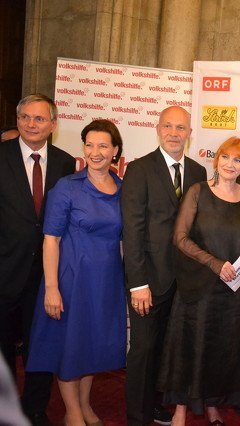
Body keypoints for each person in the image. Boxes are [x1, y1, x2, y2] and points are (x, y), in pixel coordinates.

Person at [26, 119, 126, 426]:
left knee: (90, 345)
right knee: (69, 346)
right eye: (89, 145)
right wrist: (52, 287)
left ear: (115, 151)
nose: (95, 152)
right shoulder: (67, 187)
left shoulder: (123, 189)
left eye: (103, 146)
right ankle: (72, 412)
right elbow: (51, 240)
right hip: (71, 281)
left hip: (105, 282)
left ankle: (84, 405)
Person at [157, 136, 240, 425]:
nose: (230, 164)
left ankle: (214, 406)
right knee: (190, 348)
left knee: (222, 352)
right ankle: (180, 410)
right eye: (225, 157)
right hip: (199, 287)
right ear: (217, 161)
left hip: (234, 292)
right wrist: (215, 264)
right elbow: (180, 238)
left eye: (237, 160)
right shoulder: (198, 191)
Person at [122, 106, 207, 426]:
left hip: (184, 283)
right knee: (144, 350)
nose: (174, 133)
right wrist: (138, 283)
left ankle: (156, 405)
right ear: (158, 129)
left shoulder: (198, 171)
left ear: (189, 133)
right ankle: (137, 417)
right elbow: (132, 230)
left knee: (166, 351)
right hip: (148, 280)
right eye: (168, 127)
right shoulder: (139, 169)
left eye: (180, 128)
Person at [0, 93, 76, 425]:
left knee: (41, 346)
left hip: (47, 276)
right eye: (25, 117)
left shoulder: (65, 163)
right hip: (4, 270)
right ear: (17, 121)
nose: (31, 124)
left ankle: (34, 408)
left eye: (40, 118)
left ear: (53, 124)